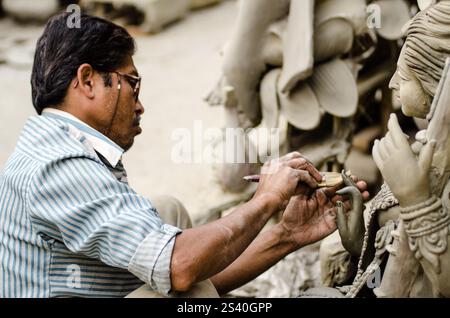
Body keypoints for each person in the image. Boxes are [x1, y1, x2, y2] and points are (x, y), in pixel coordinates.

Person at [0, 12, 368, 298]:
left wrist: (287, 234)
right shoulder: (60, 167)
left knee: (167, 215)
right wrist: (267, 199)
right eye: (132, 83)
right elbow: (181, 270)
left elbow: (193, 273)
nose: (140, 105)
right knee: (183, 280)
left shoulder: (55, 142)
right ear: (87, 80)